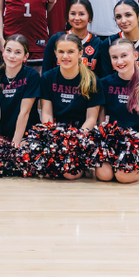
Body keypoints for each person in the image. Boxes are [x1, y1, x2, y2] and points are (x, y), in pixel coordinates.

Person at [96, 38, 139, 184]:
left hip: (138, 140)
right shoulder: (104, 83)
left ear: (135, 55)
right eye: (114, 57)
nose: (119, 61)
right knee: (104, 175)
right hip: (114, 141)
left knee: (123, 176)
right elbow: (101, 121)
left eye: (124, 55)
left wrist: (129, 143)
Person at [39, 34, 101, 179]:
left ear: (80, 53)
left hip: (81, 134)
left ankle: (83, 164)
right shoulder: (48, 77)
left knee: (70, 174)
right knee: (48, 172)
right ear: (55, 54)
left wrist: (76, 140)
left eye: (70, 52)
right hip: (55, 132)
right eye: (61, 52)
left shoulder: (91, 80)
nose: (65, 56)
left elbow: (92, 118)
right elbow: (46, 113)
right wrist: (53, 137)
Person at [0, 35, 39, 147]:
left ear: (26, 57)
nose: (12, 56)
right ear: (3, 52)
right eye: (8, 51)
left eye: (18, 52)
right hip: (4, 135)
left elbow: (24, 112)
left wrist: (15, 145)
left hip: (28, 135)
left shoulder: (31, 76)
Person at [97, 0, 139, 78]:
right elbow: (106, 80)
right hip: (117, 90)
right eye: (118, 17)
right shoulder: (109, 43)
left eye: (128, 15)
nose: (123, 20)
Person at [42, 0, 104, 73]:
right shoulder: (56, 39)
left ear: (90, 17)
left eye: (81, 14)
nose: (77, 18)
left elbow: (101, 77)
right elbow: (46, 72)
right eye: (73, 14)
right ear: (68, 17)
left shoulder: (98, 44)